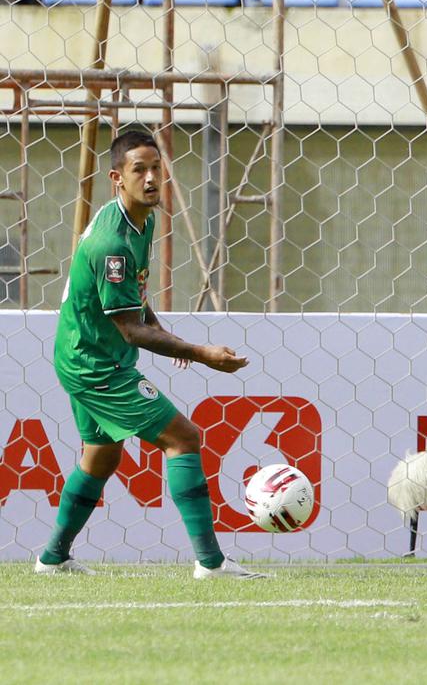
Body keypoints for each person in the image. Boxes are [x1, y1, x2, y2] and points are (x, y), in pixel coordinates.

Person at [39, 130, 266, 579]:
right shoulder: (111, 244)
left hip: (86, 356)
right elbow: (128, 327)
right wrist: (201, 352)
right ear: (116, 178)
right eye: (138, 169)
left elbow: (131, 298)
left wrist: (161, 328)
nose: (150, 178)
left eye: (155, 168)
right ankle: (211, 563)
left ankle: (53, 558)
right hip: (95, 364)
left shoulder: (140, 220)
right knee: (183, 438)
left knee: (101, 457)